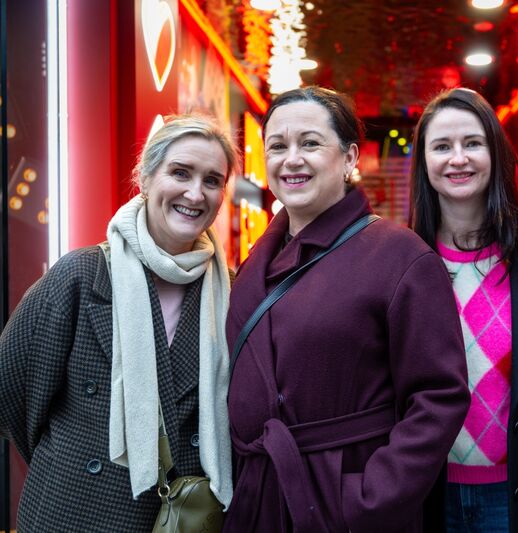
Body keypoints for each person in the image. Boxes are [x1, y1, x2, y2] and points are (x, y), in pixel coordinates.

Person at [223, 86, 470, 533]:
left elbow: (439, 397)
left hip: (345, 506)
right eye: (277, 146)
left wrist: (367, 500)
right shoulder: (254, 262)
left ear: (351, 157)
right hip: (259, 500)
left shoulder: (399, 256)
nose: (291, 159)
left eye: (310, 143)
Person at [0, 114, 238, 530]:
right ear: (145, 179)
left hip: (174, 520)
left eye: (212, 180)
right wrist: (70, 459)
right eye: (180, 172)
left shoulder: (232, 292)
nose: (195, 193)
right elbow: (10, 392)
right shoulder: (80, 274)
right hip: (72, 513)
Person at [409, 88, 518, 533]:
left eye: (472, 143)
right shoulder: (400, 261)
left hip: (515, 493)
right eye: (442, 147)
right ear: (424, 163)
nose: (458, 158)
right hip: (427, 491)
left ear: (494, 151)